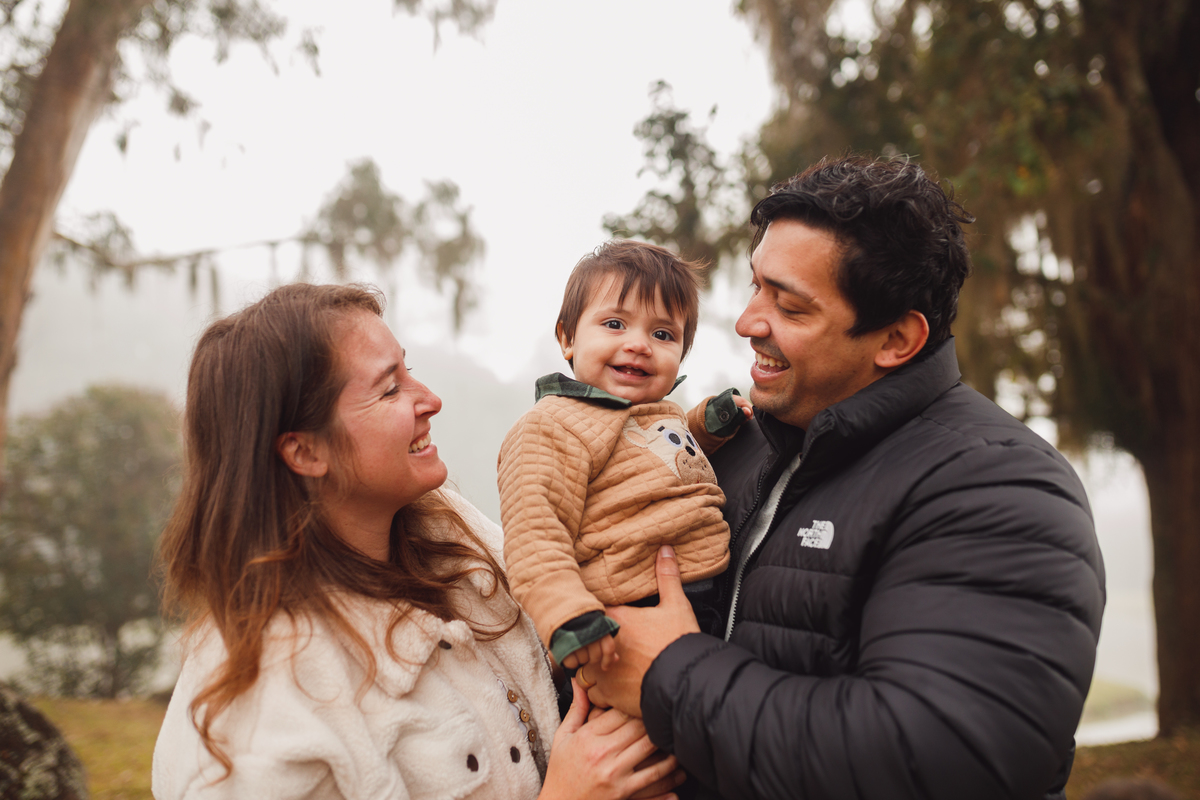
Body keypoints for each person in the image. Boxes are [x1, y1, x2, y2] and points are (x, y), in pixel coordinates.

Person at [579, 156, 1106, 800]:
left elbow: (938, 763)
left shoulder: (1001, 487)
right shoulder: (735, 441)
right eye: (756, 287)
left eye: (791, 308)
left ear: (895, 340)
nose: (748, 323)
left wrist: (669, 676)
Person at [152, 283, 685, 800]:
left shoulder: (452, 531)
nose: (430, 399)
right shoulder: (259, 718)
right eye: (389, 388)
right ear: (305, 453)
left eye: (411, 370)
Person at [498, 241, 751, 677]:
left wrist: (706, 427)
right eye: (615, 324)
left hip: (716, 598)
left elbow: (660, 455)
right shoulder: (553, 425)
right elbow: (535, 533)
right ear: (567, 338)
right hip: (624, 617)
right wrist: (568, 616)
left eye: (663, 334)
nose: (639, 345)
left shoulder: (656, 412)